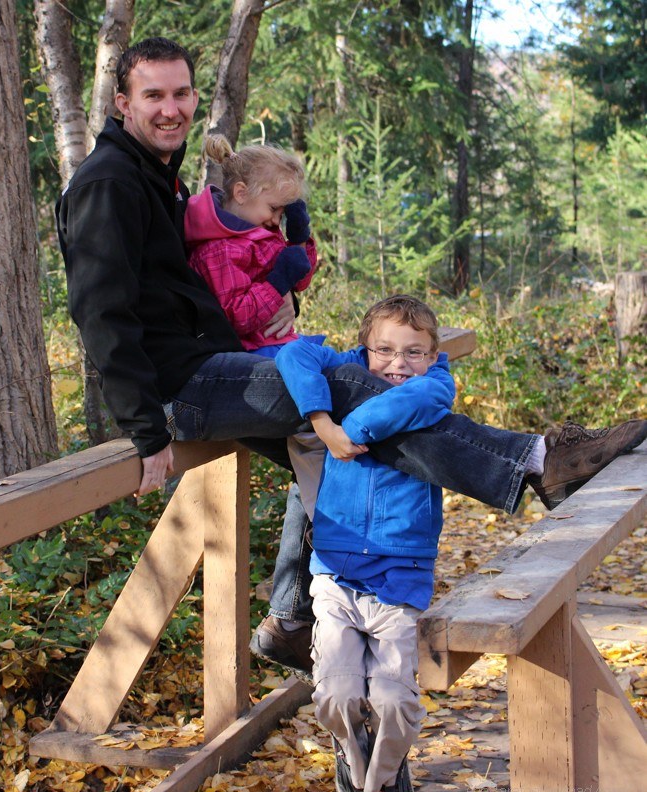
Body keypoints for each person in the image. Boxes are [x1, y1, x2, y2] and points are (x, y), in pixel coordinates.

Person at [56, 36, 647, 683]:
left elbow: (179, 293)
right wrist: (144, 429)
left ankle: (293, 618)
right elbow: (100, 313)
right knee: (346, 384)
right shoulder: (109, 183)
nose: (170, 108)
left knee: (337, 435)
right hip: (181, 387)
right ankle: (538, 463)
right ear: (122, 102)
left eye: (179, 94)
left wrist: (265, 311)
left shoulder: (152, 178)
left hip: (208, 362)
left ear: (194, 97)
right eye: (153, 96)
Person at [275, 295, 455, 792]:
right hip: (336, 572)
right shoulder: (347, 370)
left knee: (395, 700)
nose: (398, 364)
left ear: (434, 354)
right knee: (337, 691)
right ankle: (355, 760)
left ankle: (384, 773)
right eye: (385, 349)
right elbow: (293, 354)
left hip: (400, 574)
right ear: (364, 348)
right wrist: (322, 424)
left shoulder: (436, 385)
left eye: (414, 352)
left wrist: (349, 429)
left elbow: (412, 400)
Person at [185, 134, 320, 355]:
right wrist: (278, 284)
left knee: (345, 367)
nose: (277, 220)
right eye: (274, 208)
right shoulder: (219, 249)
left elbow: (300, 281)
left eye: (283, 212)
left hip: (279, 341)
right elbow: (236, 317)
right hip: (253, 350)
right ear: (241, 193)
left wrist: (299, 241)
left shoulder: (262, 230)